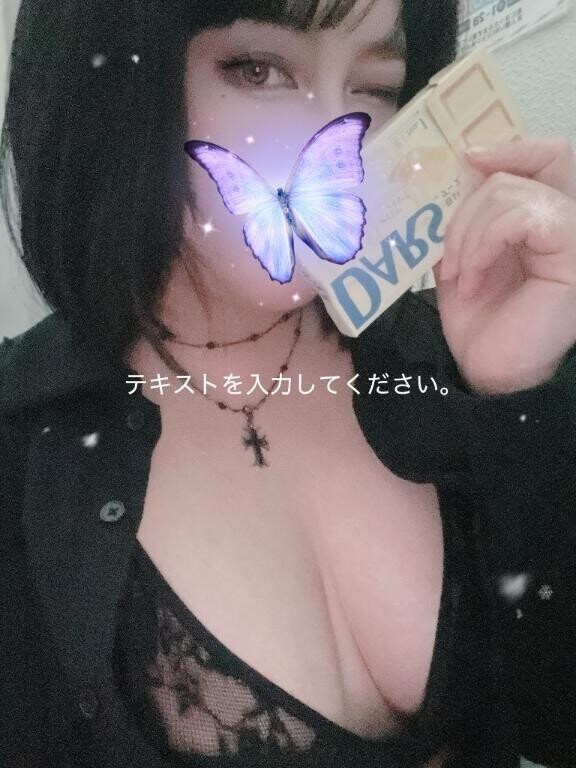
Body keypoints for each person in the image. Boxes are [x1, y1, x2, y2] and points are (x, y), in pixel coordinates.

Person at [1, 0, 576, 766]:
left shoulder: (451, 351)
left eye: (376, 87)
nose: (332, 132)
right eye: (257, 69)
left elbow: (557, 720)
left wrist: (521, 396)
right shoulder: (23, 447)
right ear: (116, 89)